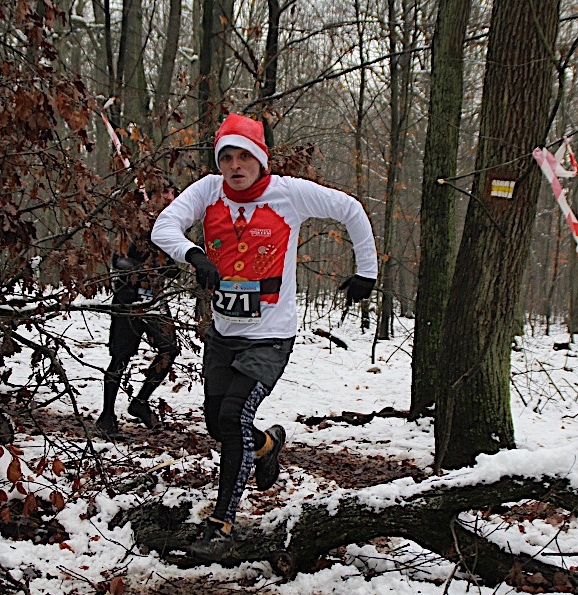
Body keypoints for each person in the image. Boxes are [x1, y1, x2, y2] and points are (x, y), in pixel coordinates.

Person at [150, 113, 378, 562]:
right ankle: (268, 446)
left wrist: (366, 272)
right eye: (227, 158)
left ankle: (221, 526)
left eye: (244, 156)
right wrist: (194, 255)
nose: (235, 166)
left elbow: (351, 209)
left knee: (233, 416)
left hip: (270, 336)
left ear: (260, 159)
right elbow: (164, 227)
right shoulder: (208, 191)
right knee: (217, 424)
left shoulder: (289, 193)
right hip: (223, 333)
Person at [97, 181, 182, 436]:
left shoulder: (171, 225)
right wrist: (146, 267)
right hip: (129, 298)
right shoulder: (134, 223)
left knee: (169, 349)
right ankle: (107, 415)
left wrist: (170, 266)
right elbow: (119, 260)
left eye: (173, 193)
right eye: (165, 193)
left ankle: (140, 402)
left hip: (155, 299)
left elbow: (172, 265)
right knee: (121, 356)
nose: (170, 198)